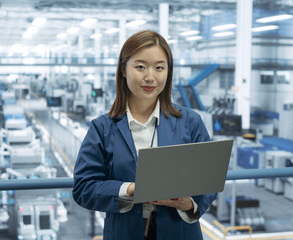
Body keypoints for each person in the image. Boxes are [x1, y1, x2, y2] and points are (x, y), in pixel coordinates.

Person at [72, 30, 216, 240]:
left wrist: (188, 204)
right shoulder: (102, 128)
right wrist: (130, 189)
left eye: (159, 67)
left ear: (168, 71)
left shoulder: (190, 122)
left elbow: (208, 180)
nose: (150, 76)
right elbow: (83, 188)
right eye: (140, 67)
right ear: (123, 69)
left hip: (180, 233)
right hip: (125, 232)